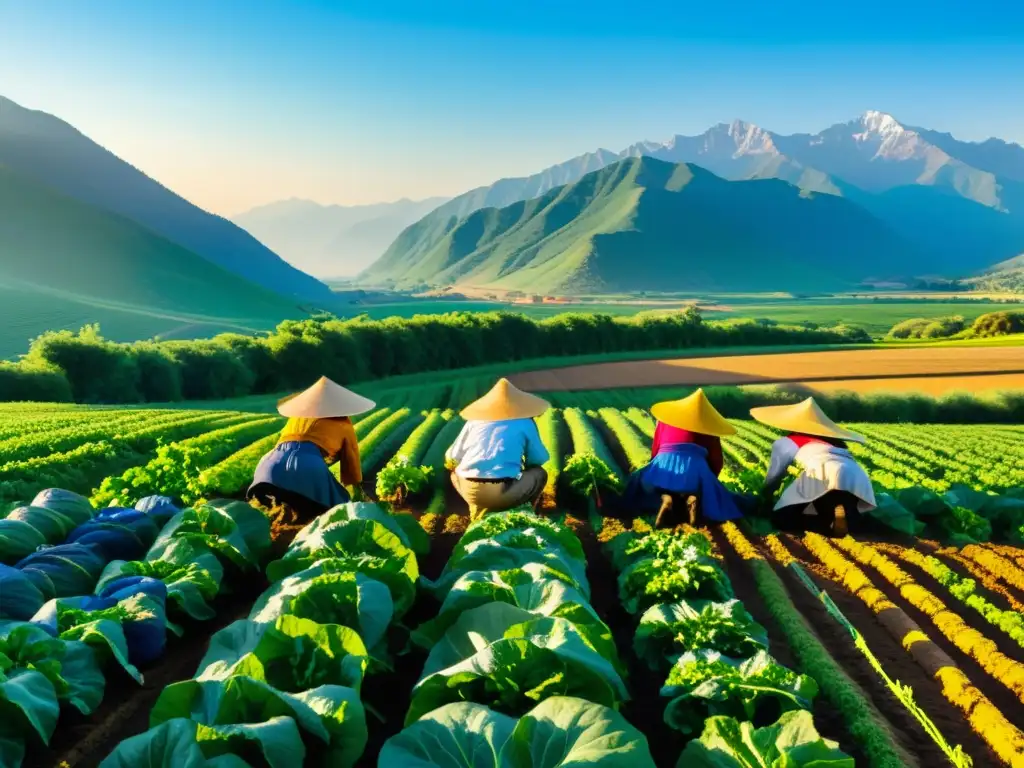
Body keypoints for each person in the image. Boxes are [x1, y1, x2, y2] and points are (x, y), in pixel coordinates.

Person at [247, 376, 375, 522]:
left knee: (268, 515)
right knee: (337, 515)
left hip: (268, 465)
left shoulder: (297, 417)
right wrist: (359, 495)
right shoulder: (343, 424)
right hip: (308, 468)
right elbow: (351, 471)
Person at [751, 397, 875, 536]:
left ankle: (824, 524)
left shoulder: (787, 442)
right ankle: (847, 516)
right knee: (832, 502)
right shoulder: (836, 442)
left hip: (820, 470)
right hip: (854, 473)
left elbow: (775, 476)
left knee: (783, 518)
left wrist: (765, 498)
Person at [621, 388, 742, 527]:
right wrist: (709, 481)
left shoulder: (666, 419)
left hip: (664, 462)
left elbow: (656, 449)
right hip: (696, 469)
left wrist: (654, 468)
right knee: (713, 496)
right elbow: (716, 461)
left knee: (638, 484)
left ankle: (665, 499)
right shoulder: (708, 424)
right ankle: (692, 497)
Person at [446, 378, 551, 516]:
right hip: (503, 490)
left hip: (468, 489)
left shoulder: (474, 422)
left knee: (454, 472)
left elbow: (452, 456)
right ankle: (524, 512)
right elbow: (539, 458)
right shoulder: (525, 423)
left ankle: (476, 510)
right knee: (539, 474)